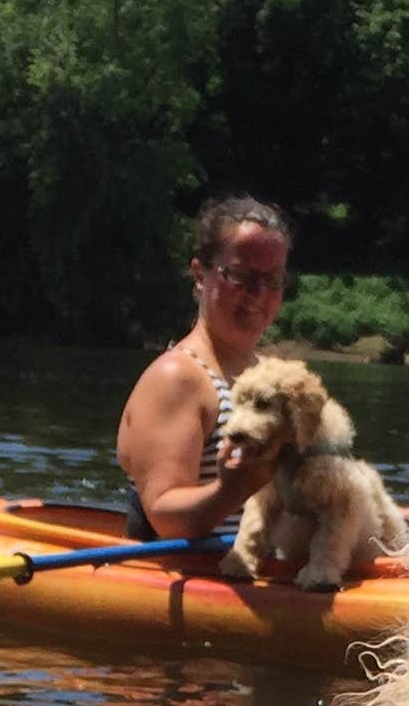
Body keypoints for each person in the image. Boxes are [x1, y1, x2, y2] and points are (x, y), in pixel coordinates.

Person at [116, 194, 292, 547]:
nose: (258, 294)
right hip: (200, 579)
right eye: (242, 276)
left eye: (272, 280)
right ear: (200, 274)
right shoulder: (178, 377)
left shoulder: (271, 377)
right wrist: (232, 489)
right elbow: (164, 515)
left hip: (266, 570)